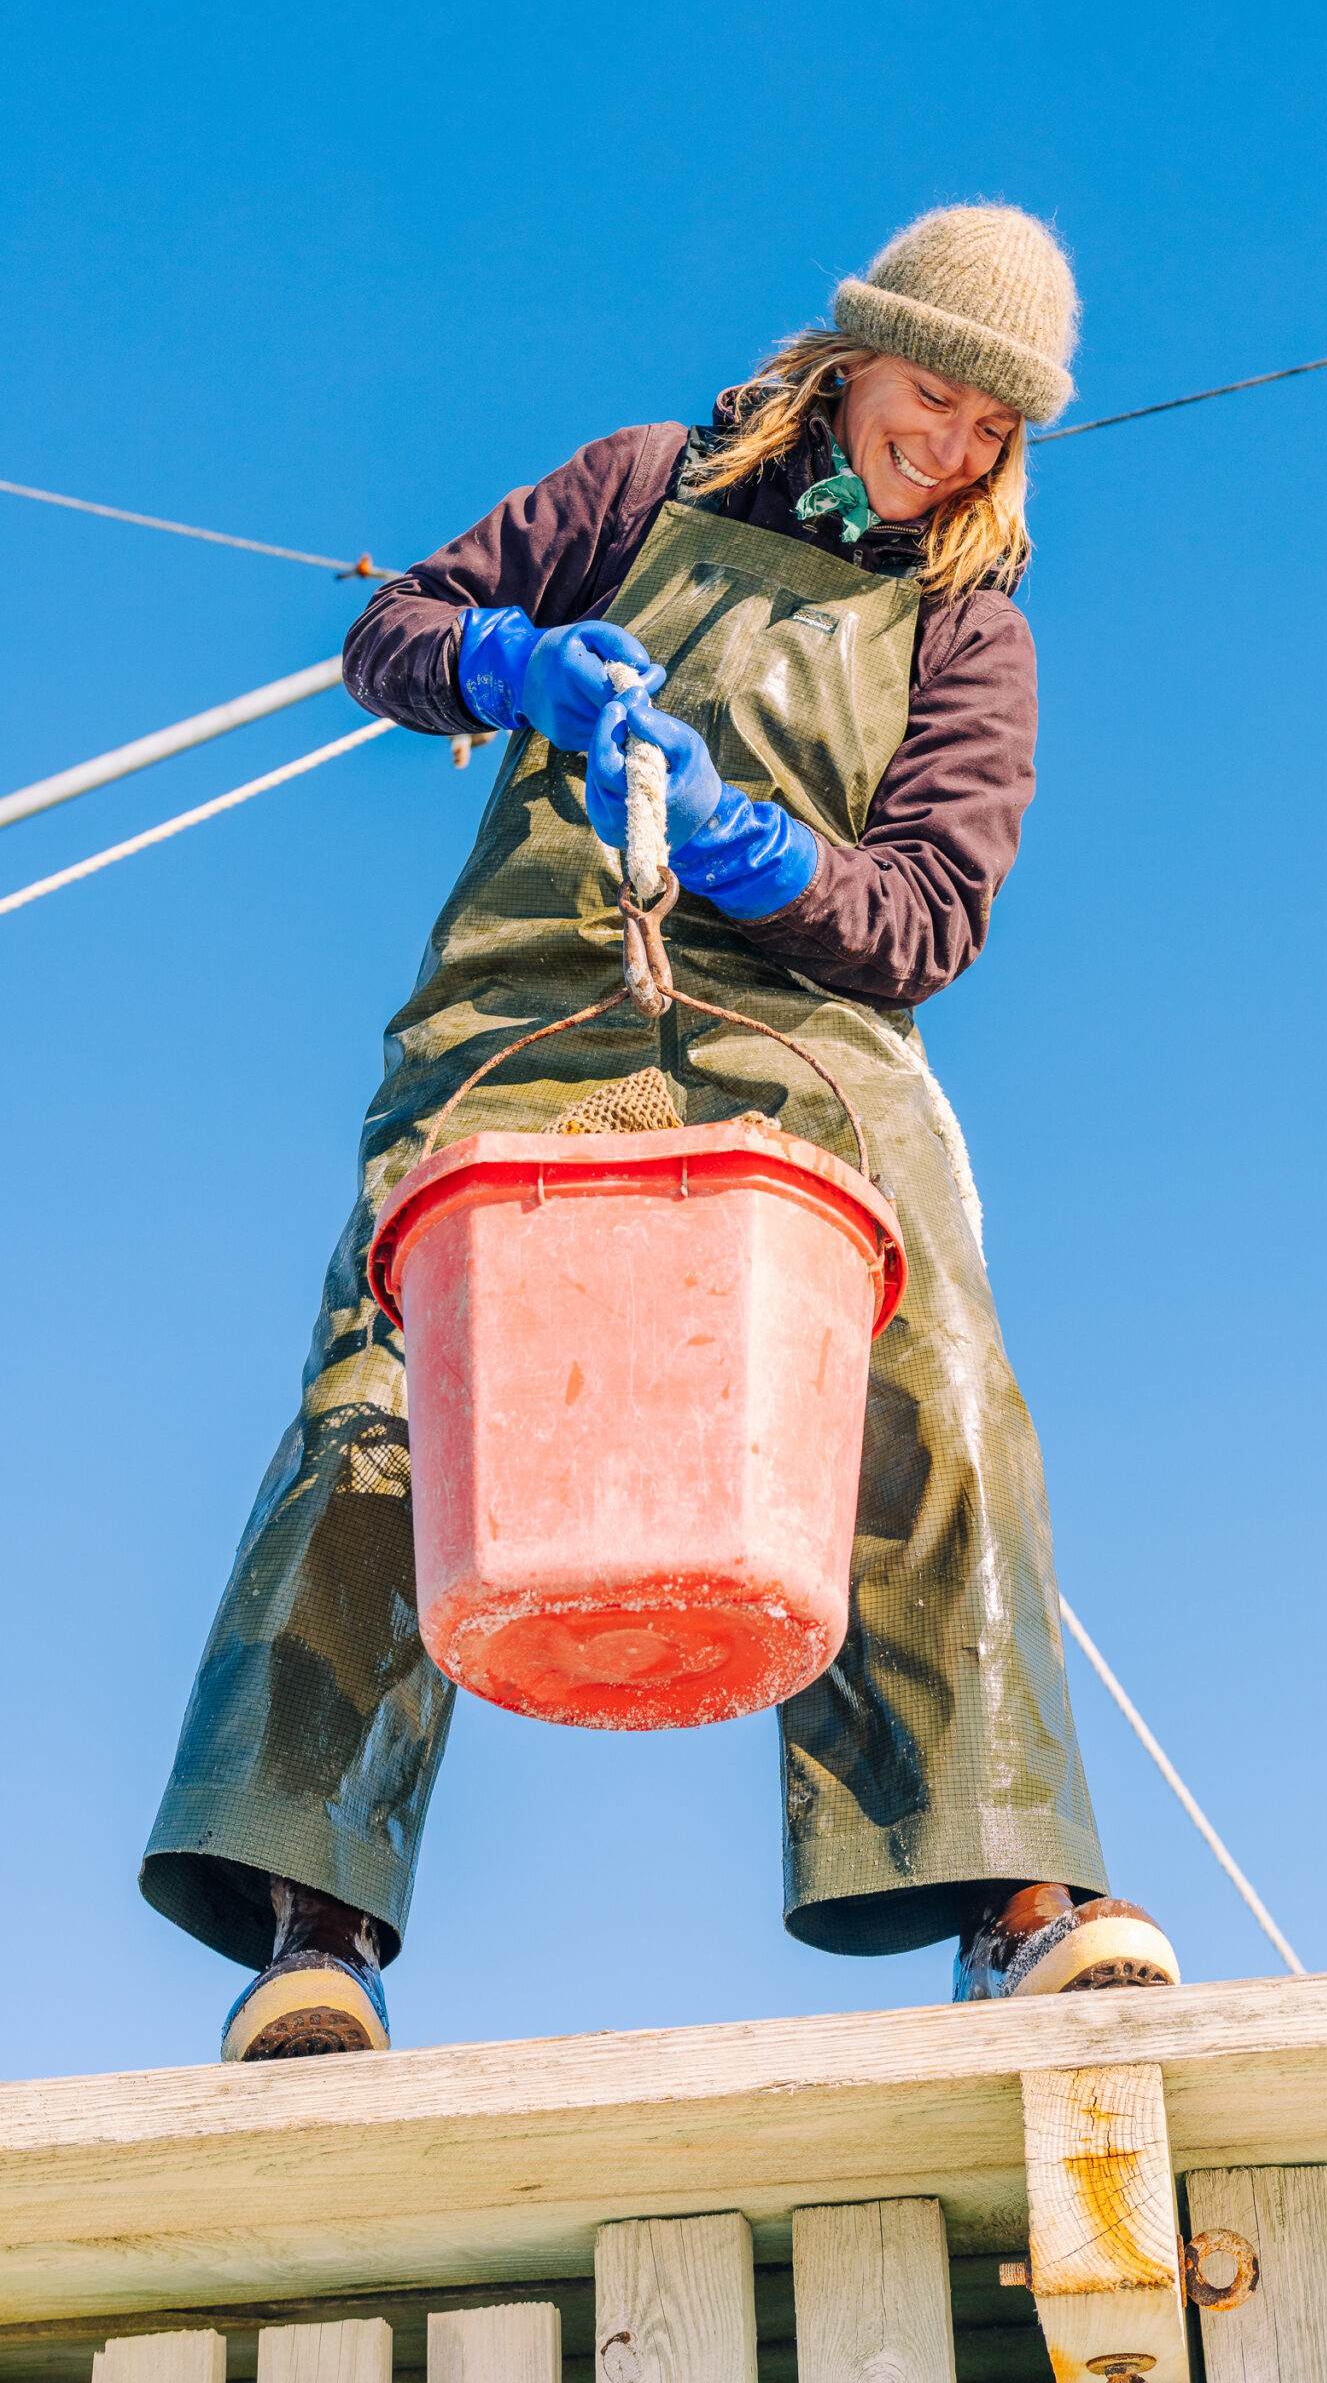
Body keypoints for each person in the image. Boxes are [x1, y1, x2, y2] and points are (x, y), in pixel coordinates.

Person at [140, 203, 1181, 2063]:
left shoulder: (971, 632)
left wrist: (753, 850)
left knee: (927, 1381)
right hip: (521, 1008)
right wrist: (505, 670)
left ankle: (1017, 1895)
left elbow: (930, 916)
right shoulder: (639, 486)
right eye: (930, 395)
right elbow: (399, 630)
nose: (946, 447)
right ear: (857, 351)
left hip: (801, 1032)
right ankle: (312, 1924)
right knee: (387, 1402)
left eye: (989, 431)